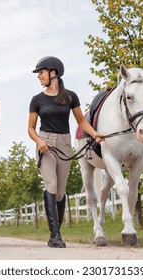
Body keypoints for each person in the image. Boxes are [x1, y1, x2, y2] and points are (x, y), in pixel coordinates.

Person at [28, 56, 103, 248]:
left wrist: (94, 134)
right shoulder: (37, 100)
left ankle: (56, 232)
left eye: (41, 72)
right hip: (45, 144)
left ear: (54, 73)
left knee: (60, 193)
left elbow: (81, 122)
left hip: (64, 143)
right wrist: (38, 141)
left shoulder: (70, 97)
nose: (39, 76)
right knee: (51, 186)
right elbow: (30, 128)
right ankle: (55, 235)